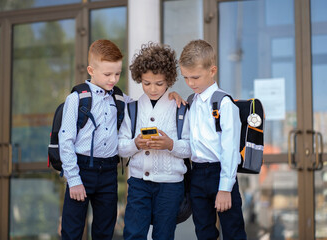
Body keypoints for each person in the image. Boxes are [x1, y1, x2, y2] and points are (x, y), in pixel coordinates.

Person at [59, 39, 185, 240]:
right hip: (81, 169)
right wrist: (73, 179)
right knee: (72, 229)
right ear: (91, 70)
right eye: (107, 74)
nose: (113, 79)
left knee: (104, 230)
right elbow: (65, 140)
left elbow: (147, 104)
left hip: (109, 173)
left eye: (117, 74)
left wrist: (172, 94)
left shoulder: (120, 99)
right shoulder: (76, 98)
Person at [118, 42, 191, 240]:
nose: (152, 89)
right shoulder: (132, 109)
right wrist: (136, 144)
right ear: (139, 78)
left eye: (159, 84)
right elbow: (121, 148)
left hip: (170, 185)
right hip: (138, 183)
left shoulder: (180, 108)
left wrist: (170, 145)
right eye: (146, 83)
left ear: (169, 79)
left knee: (163, 236)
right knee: (133, 234)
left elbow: (191, 148)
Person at [179, 39, 247, 240]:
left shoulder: (224, 103)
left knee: (233, 231)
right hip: (197, 174)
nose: (191, 83)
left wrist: (225, 188)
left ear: (212, 70)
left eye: (195, 77)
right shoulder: (192, 101)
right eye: (186, 78)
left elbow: (230, 149)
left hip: (221, 173)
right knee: (203, 231)